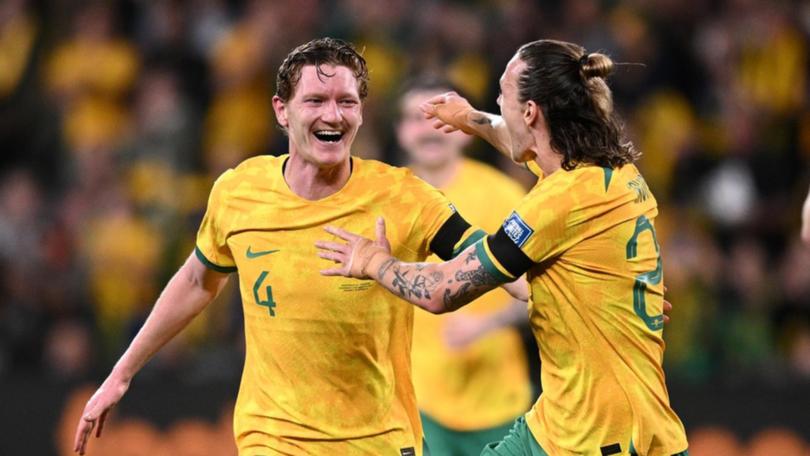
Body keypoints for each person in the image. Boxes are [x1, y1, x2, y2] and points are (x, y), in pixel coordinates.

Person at [73, 37, 524, 456]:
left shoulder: (404, 197)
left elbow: (499, 266)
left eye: (347, 101)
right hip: (272, 436)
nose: (333, 115)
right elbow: (197, 280)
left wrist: (388, 267)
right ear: (281, 111)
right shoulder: (239, 192)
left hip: (377, 440)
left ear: (362, 113)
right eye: (315, 100)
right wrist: (122, 372)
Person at [317, 39, 689, 455]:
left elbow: (443, 290)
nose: (497, 102)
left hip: (603, 434)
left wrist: (374, 261)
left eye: (502, 94)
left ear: (530, 112)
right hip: (560, 422)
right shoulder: (609, 172)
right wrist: (469, 119)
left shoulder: (559, 202)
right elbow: (519, 142)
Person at [396, 77, 533, 455]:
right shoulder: (387, 198)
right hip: (416, 400)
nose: (428, 131)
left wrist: (487, 323)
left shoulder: (504, 196)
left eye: (439, 119)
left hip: (498, 400)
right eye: (415, 118)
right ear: (400, 132)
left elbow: (542, 292)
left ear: (464, 131)